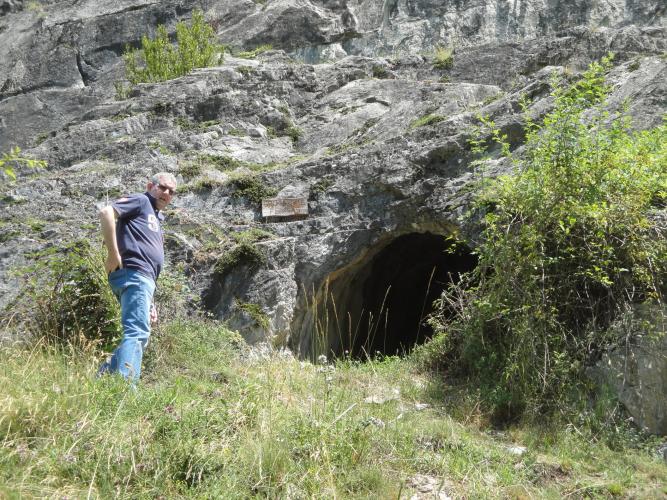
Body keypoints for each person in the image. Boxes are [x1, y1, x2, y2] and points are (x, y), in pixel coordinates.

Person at [98, 172, 177, 382]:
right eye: (163, 187)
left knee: (139, 334)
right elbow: (106, 212)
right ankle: (125, 389)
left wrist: (150, 301)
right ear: (150, 185)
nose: (166, 193)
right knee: (137, 333)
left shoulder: (156, 216)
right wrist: (113, 254)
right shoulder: (142, 201)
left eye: (171, 191)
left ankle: (101, 379)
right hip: (133, 273)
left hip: (143, 279)